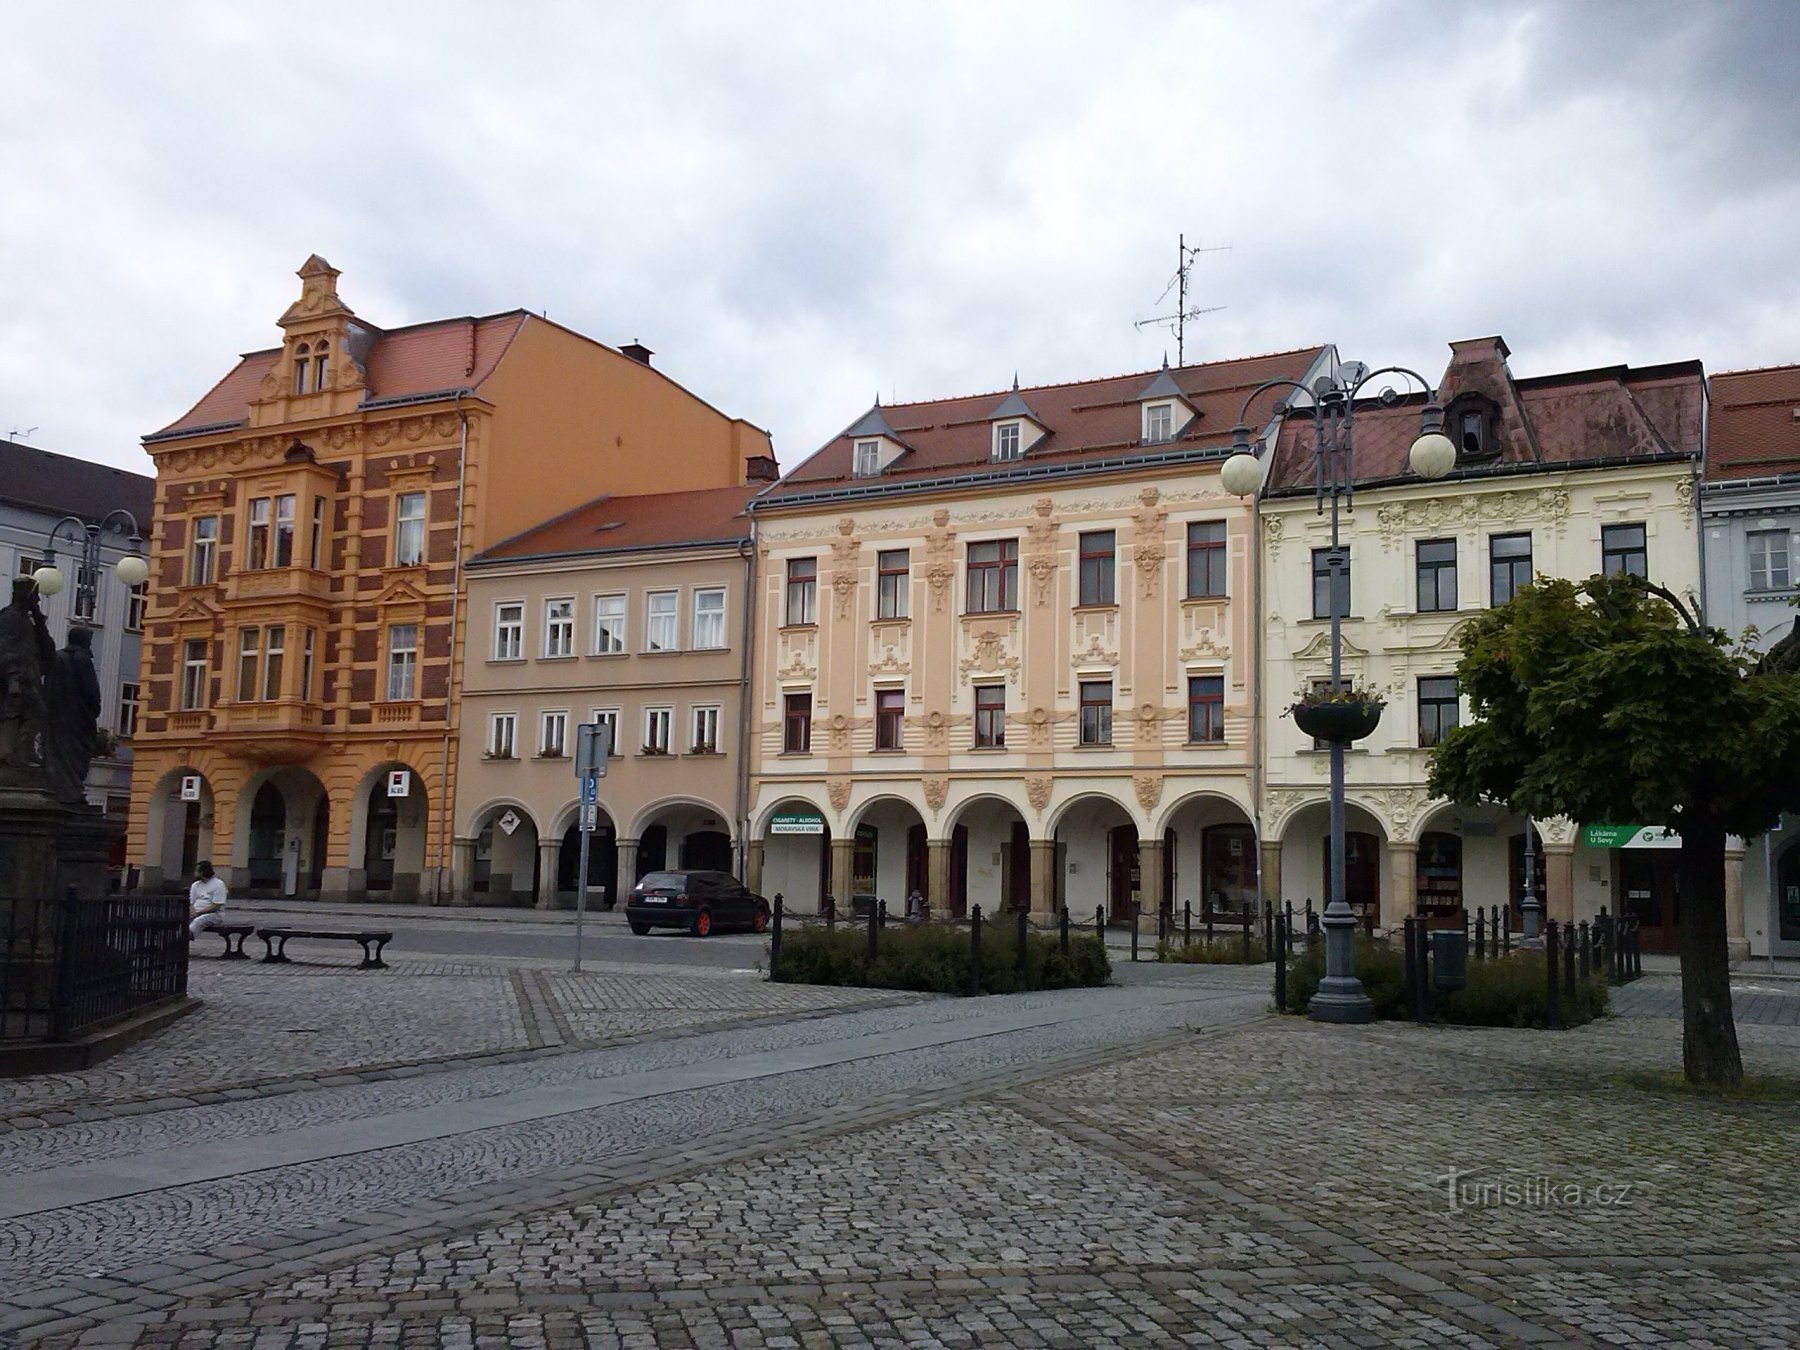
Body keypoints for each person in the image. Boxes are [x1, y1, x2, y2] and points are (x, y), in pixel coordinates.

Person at [189, 861, 228, 940]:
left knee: (199, 921)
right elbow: (192, 902)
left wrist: (199, 912)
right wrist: (192, 912)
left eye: (196, 871)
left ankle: (187, 936)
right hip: (196, 912)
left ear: (203, 872)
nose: (194, 873)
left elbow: (216, 905)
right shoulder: (195, 885)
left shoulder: (218, 884)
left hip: (214, 914)